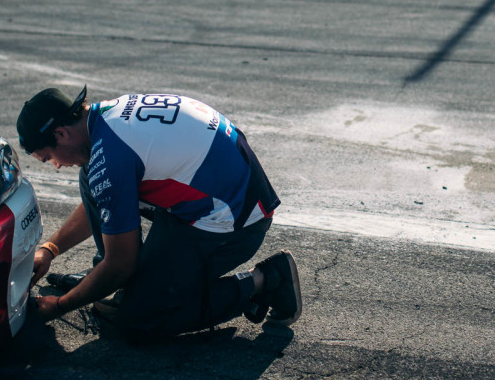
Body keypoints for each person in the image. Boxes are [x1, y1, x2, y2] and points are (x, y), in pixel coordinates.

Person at [16, 86, 301, 341]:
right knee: (91, 173)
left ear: (61, 133)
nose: (54, 165)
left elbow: (120, 264)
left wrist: (60, 305)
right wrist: (50, 250)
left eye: (48, 157)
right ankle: (118, 283)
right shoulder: (107, 116)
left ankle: (266, 280)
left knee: (137, 318)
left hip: (235, 225)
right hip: (222, 195)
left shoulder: (110, 157)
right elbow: (106, 195)